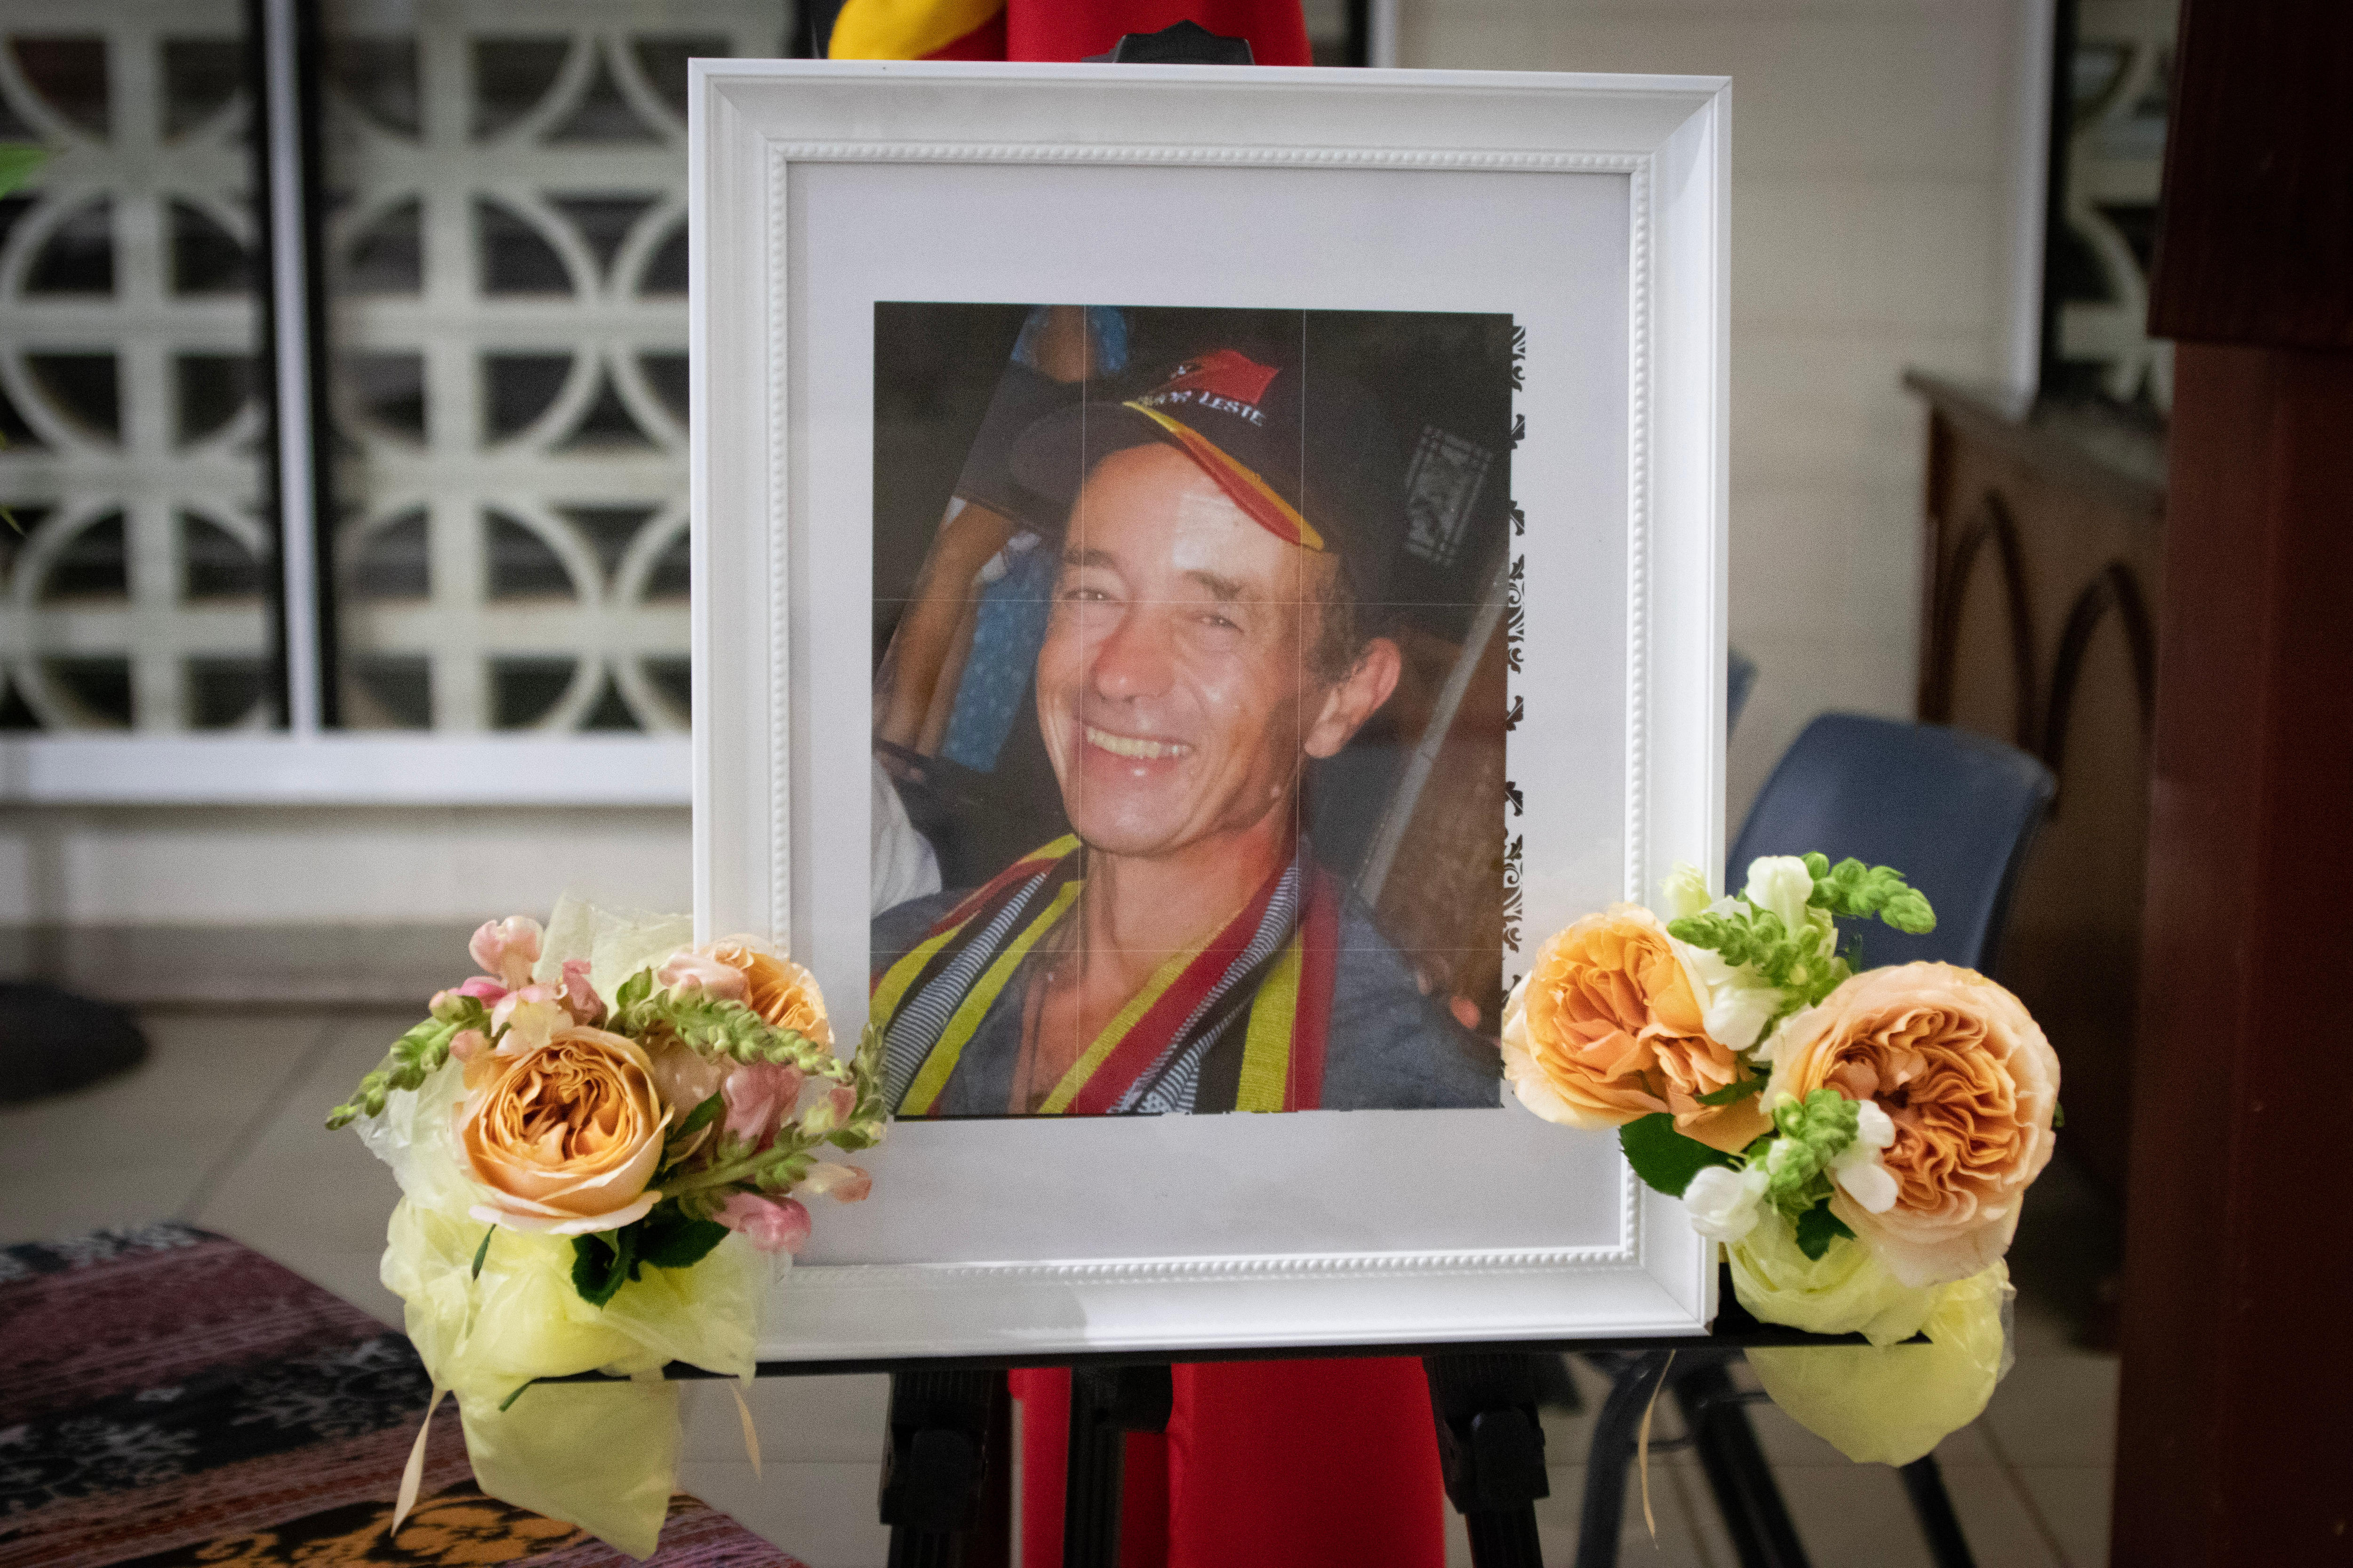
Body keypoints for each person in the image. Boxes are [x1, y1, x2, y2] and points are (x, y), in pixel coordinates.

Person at [871, 343, 1500, 1116]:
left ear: (1343, 698)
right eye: (1093, 592)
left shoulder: (1389, 1105)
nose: (1117, 674)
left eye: (1215, 617)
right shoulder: (891, 963)